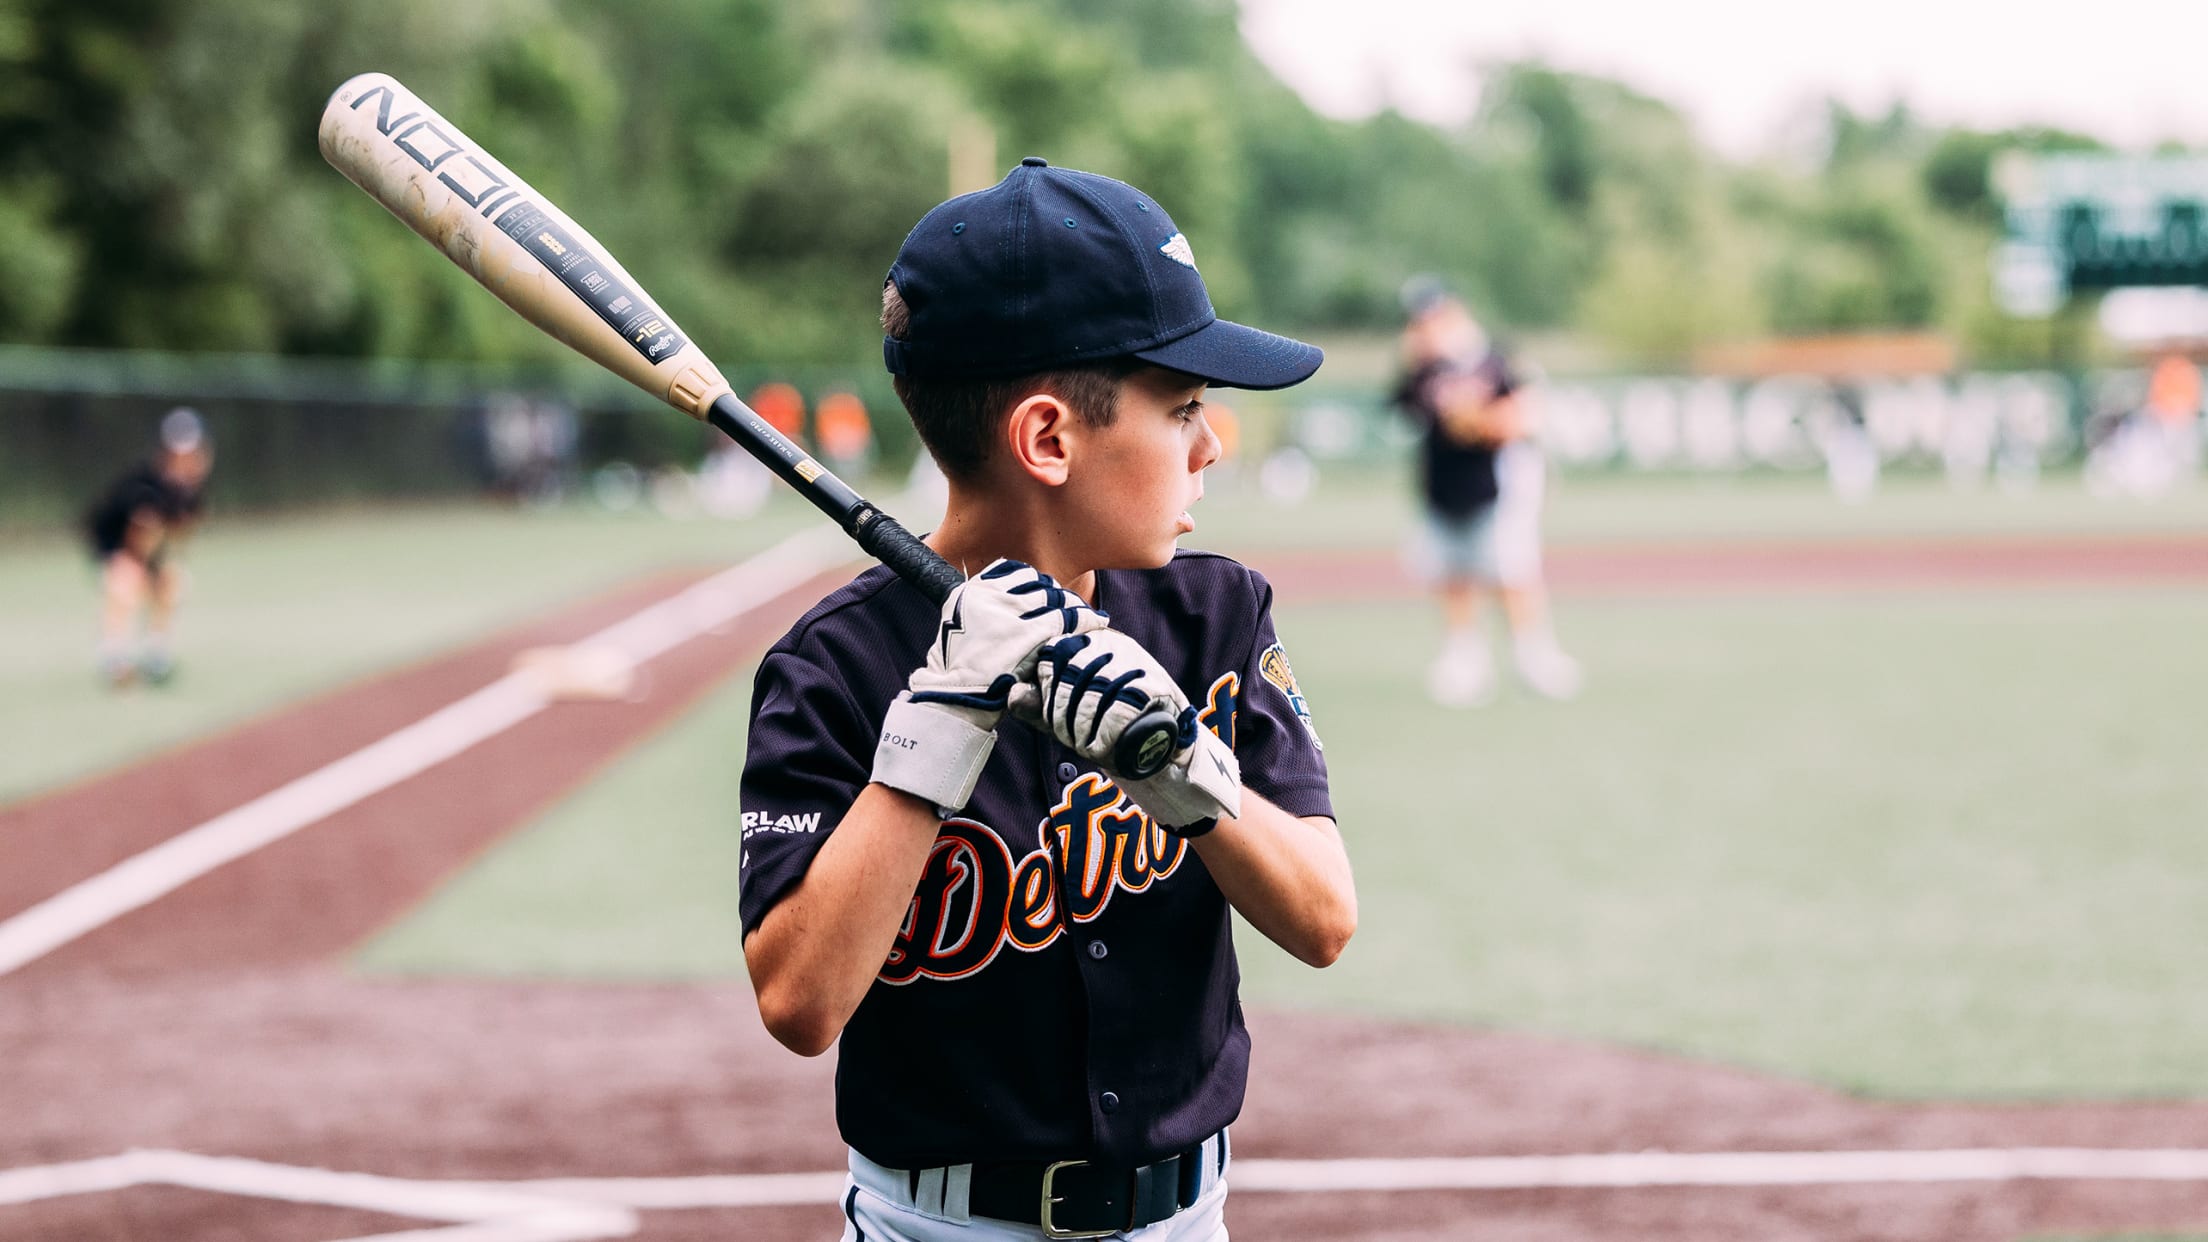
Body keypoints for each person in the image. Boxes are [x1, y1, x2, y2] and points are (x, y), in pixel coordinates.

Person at [738, 158, 1357, 1242]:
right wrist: (938, 727)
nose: (1211, 445)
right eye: (1183, 409)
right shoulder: (835, 665)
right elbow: (800, 1002)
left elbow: (1321, 919)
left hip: (1180, 1219)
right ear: (1048, 440)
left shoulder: (1214, 617)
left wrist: (1183, 769)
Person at [1391, 277, 1580, 705]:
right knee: (1453, 573)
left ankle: (1532, 655)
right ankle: (1465, 659)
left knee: (1511, 572)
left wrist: (1489, 423)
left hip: (1496, 485)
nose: (1428, 327)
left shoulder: (1495, 358)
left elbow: (1526, 412)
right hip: (1443, 487)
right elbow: (1406, 409)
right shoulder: (1422, 367)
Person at [84, 407, 213, 687]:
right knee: (127, 581)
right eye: (179, 454)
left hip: (151, 552)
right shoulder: (145, 487)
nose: (187, 461)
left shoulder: (190, 491)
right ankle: (115, 656)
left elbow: (178, 540)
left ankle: (157, 655)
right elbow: (138, 544)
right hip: (116, 546)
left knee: (174, 581)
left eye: (192, 454)